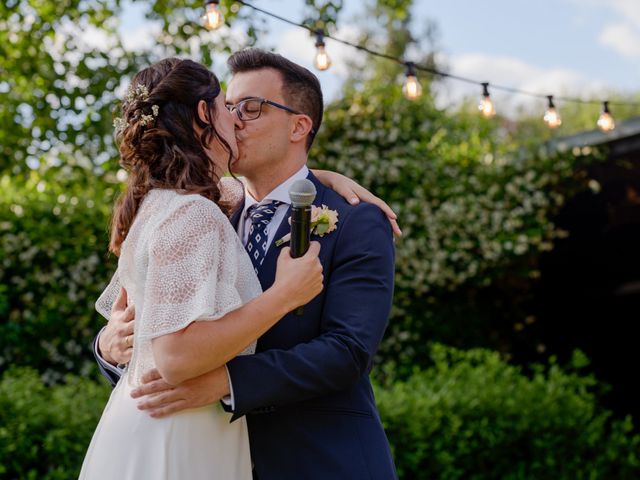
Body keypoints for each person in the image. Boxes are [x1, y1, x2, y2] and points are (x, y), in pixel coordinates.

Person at [96, 49, 398, 479]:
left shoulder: (354, 219)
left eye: (251, 108)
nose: (235, 120)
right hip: (203, 454)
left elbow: (347, 351)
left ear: (299, 126)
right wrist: (108, 345)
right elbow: (145, 319)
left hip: (318, 461)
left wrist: (226, 382)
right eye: (230, 106)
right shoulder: (199, 209)